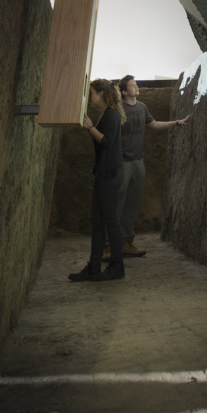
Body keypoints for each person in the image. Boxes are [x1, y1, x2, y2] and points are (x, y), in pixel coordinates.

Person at [108, 76, 190, 258]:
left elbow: (153, 124)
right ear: (124, 91)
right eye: (132, 85)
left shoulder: (142, 107)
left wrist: (177, 123)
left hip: (138, 161)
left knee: (133, 203)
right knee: (117, 203)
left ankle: (126, 242)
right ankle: (109, 244)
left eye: (136, 84)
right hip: (122, 161)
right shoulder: (118, 109)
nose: (136, 87)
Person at [68, 79, 127, 283]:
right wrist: (91, 127)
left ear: (101, 93)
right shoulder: (104, 113)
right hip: (104, 172)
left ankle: (117, 266)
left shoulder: (110, 113)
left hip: (110, 173)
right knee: (97, 222)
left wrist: (90, 127)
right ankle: (94, 267)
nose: (89, 96)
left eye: (91, 92)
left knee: (110, 221)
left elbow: (108, 142)